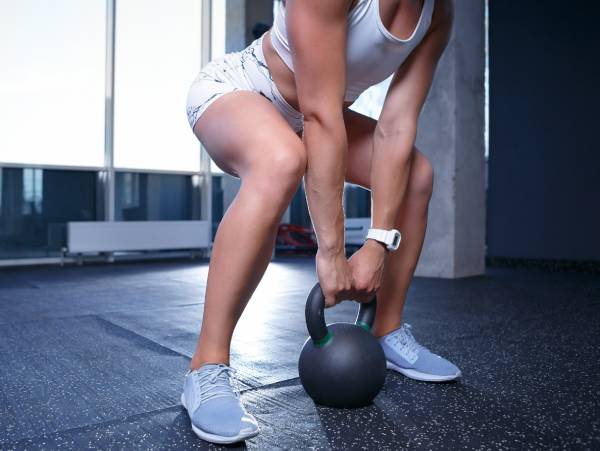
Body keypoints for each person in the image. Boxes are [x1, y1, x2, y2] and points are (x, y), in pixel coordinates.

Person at [182, 0, 459, 444]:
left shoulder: (439, 13)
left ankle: (385, 328)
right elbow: (321, 116)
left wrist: (377, 244)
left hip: (314, 111)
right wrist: (330, 252)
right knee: (282, 159)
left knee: (417, 175)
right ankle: (207, 366)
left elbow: (397, 124)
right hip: (241, 91)